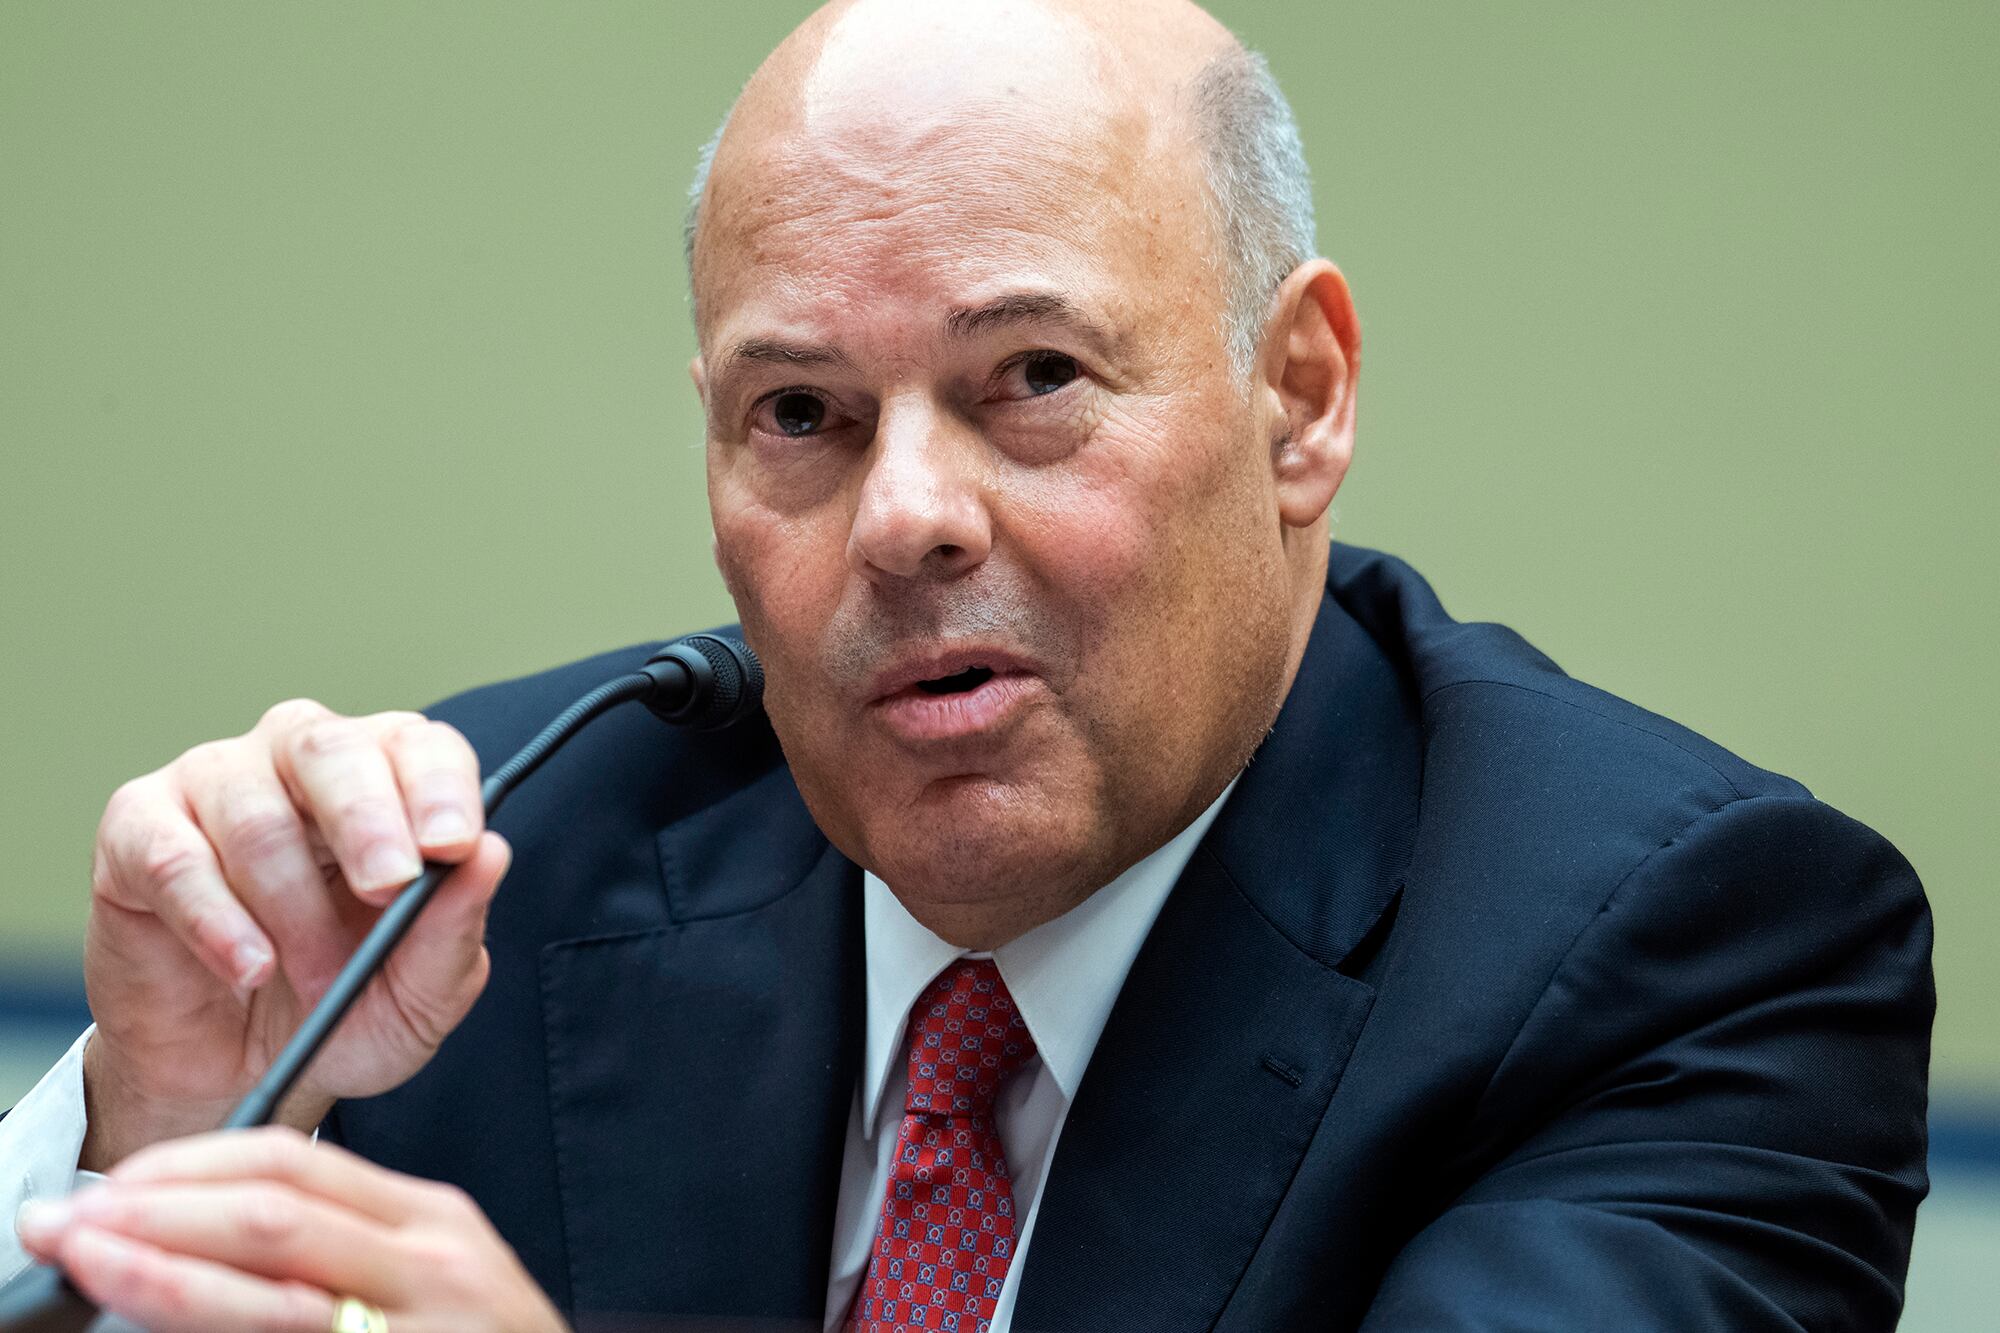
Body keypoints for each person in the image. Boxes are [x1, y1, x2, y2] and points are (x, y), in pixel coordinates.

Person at [1, 0, 1933, 1329]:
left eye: (1033, 380)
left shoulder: (1678, 954)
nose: (905, 517)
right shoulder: (474, 874)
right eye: (802, 414)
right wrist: (163, 1156)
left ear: (1301, 398)